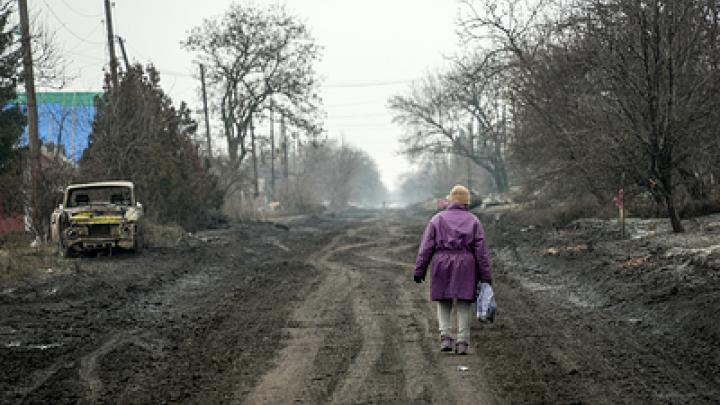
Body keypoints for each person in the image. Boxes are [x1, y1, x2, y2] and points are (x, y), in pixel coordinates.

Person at [412, 185, 493, 355]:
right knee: (464, 302)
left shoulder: (437, 219)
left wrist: (419, 270)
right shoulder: (473, 221)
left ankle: (445, 337)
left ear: (450, 199)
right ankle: (463, 342)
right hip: (466, 264)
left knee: (443, 300)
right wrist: (486, 276)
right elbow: (481, 253)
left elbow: (426, 248)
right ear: (467, 201)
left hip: (442, 261)